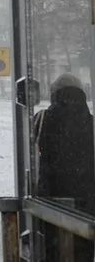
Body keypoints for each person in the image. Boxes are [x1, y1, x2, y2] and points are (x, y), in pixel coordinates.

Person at [33, 72, 95, 262]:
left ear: (54, 94)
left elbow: (31, 157)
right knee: (82, 253)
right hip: (86, 205)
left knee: (52, 252)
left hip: (49, 202)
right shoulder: (91, 123)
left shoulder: (41, 119)